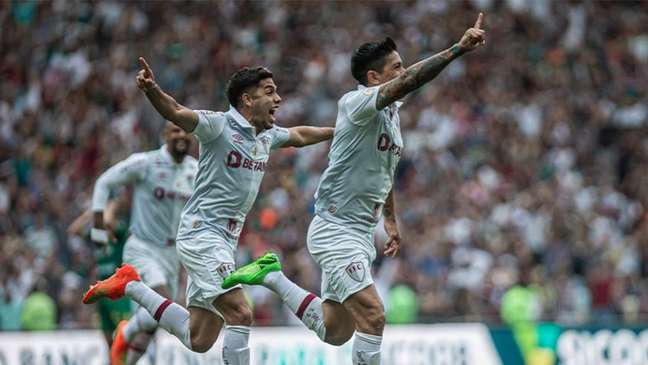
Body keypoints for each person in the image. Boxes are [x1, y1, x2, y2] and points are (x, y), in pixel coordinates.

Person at [222, 13, 487, 365]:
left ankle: (271, 276)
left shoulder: (391, 118)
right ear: (374, 77)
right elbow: (409, 82)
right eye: (396, 67)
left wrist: (390, 220)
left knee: (336, 330)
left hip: (360, 233)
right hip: (335, 229)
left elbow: (384, 170)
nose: (403, 72)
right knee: (374, 315)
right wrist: (455, 49)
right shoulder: (356, 102)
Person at [83, 58, 334, 365]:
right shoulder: (218, 125)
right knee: (241, 312)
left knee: (198, 338)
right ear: (247, 99)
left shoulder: (265, 136)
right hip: (201, 235)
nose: (278, 99)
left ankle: (130, 285)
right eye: (270, 92)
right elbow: (175, 111)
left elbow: (300, 135)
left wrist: (339, 132)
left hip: (223, 243)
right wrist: (151, 90)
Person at [86, 121, 198, 365]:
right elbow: (104, 182)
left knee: (155, 318)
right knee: (164, 303)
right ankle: (125, 334)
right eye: (175, 131)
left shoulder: (196, 170)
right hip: (143, 248)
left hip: (173, 254)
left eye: (186, 131)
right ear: (164, 135)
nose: (181, 135)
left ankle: (125, 355)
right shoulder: (146, 163)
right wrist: (97, 226)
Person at [68, 198, 132, 362]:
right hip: (103, 294)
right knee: (108, 340)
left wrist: (108, 206)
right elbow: (73, 230)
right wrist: (92, 213)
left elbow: (109, 221)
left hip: (119, 294)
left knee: (123, 338)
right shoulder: (99, 237)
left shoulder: (120, 232)